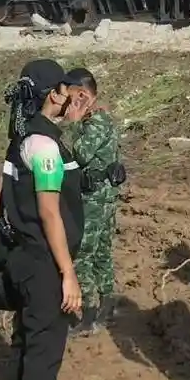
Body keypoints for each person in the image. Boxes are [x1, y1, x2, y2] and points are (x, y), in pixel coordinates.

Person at [0, 59, 86, 380]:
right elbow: (50, 213)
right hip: (43, 260)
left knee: (25, 344)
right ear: (54, 94)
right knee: (44, 353)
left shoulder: (23, 137)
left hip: (21, 257)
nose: (71, 98)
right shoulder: (46, 147)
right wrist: (67, 271)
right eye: (66, 90)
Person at [61, 67, 124, 335]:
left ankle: (88, 313)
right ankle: (107, 305)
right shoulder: (97, 120)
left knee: (84, 254)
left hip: (95, 199)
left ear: (83, 95)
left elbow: (81, 154)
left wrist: (72, 121)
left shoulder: (95, 123)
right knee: (100, 252)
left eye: (71, 97)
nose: (66, 103)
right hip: (100, 196)